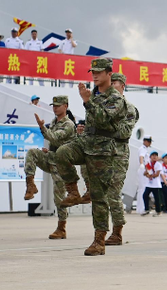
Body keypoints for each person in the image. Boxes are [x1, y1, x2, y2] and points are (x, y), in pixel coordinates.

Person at [54, 57, 128, 256]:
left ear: (109, 74)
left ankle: (99, 240)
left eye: (99, 72)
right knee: (61, 153)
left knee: (98, 196)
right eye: (92, 72)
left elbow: (104, 119)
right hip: (86, 141)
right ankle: (73, 191)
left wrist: (87, 101)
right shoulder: (94, 93)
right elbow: (93, 120)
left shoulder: (116, 98)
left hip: (103, 149)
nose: (94, 75)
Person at [23, 95, 76, 239]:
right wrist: (49, 151)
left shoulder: (69, 124)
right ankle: (30, 185)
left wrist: (41, 127)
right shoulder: (54, 121)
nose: (55, 108)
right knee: (32, 153)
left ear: (65, 106)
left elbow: (53, 137)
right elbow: (54, 142)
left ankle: (61, 228)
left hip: (62, 164)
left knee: (59, 197)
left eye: (58, 105)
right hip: (51, 158)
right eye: (53, 105)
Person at [105, 71, 139, 245]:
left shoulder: (129, 108)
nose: (111, 85)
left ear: (122, 86)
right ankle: (100, 232)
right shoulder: (101, 105)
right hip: (100, 154)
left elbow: (124, 131)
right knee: (99, 194)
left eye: (115, 83)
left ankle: (117, 232)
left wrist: (106, 126)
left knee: (113, 193)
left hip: (118, 154)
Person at [135, 136, 154, 215]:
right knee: (142, 189)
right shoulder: (142, 149)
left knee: (143, 189)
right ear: (145, 141)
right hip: (143, 169)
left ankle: (143, 208)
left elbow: (148, 162)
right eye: (149, 141)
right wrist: (142, 164)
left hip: (146, 170)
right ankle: (141, 208)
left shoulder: (145, 149)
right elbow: (141, 157)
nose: (150, 143)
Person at [141, 151, 163, 216]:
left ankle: (158, 211)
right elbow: (145, 172)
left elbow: (157, 174)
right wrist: (146, 174)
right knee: (145, 195)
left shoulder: (158, 164)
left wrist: (150, 175)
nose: (154, 157)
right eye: (153, 155)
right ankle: (147, 209)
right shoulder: (148, 164)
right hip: (149, 184)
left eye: (155, 156)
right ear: (150, 157)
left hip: (156, 184)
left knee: (157, 198)